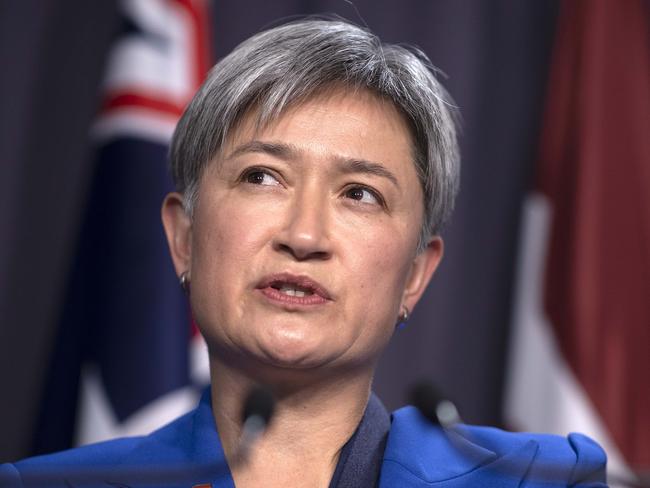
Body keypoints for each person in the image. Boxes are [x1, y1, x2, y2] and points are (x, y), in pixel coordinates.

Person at [0, 18, 606, 488]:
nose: (304, 236)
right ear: (184, 237)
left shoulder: (540, 480)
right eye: (262, 177)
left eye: (360, 193)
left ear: (415, 276)